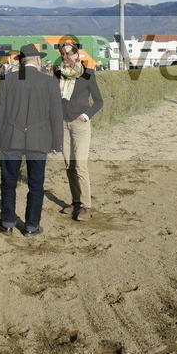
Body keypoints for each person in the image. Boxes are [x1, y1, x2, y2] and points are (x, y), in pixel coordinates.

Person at [0, 43, 63, 236]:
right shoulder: (50, 82)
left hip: (10, 137)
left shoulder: (8, 79)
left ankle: (7, 222)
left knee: (8, 183)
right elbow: (56, 115)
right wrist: (57, 143)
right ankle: (31, 226)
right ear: (38, 60)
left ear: (21, 61)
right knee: (36, 185)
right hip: (39, 140)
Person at [54, 42, 103, 222]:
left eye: (68, 54)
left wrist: (85, 116)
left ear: (77, 55)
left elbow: (99, 101)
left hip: (80, 125)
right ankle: (75, 201)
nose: (65, 58)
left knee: (81, 165)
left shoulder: (88, 75)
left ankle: (86, 206)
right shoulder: (58, 74)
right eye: (63, 54)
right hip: (63, 124)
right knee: (69, 165)